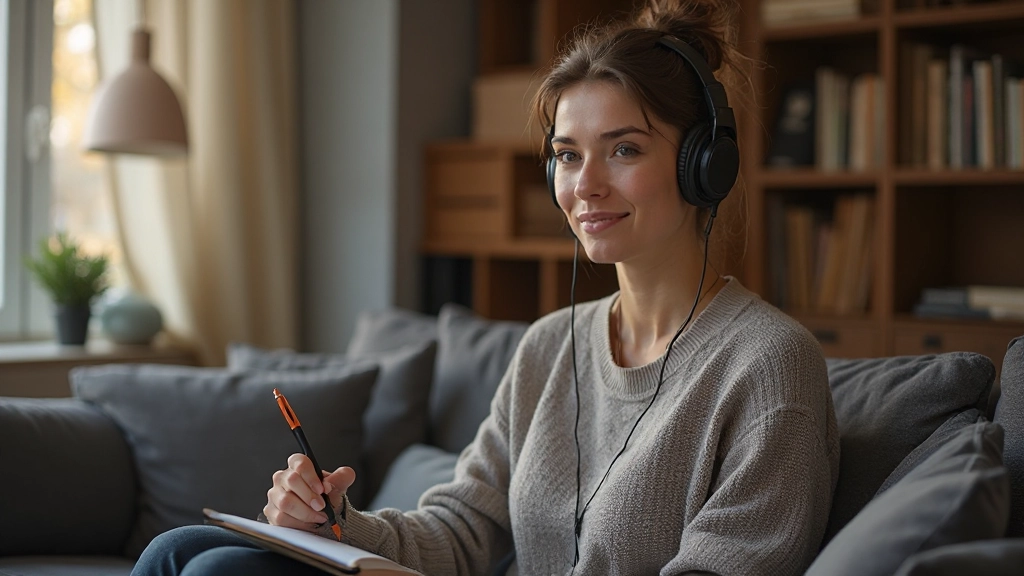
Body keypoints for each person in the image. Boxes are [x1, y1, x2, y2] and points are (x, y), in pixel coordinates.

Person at [133, 0, 839, 574]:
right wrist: (337, 523)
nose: (585, 185)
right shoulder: (548, 348)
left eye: (624, 149)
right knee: (177, 551)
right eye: (567, 156)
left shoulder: (770, 366)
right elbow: (463, 530)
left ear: (701, 164)